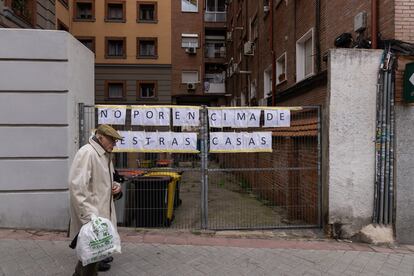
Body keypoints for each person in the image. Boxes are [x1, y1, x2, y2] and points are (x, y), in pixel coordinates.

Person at [69, 124, 123, 276]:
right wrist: (88, 216)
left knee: (92, 255)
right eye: (112, 140)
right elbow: (77, 187)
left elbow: (107, 181)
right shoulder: (87, 153)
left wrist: (116, 187)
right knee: (91, 256)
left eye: (115, 141)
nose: (114, 144)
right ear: (100, 138)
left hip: (100, 216)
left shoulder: (105, 155)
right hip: (93, 216)